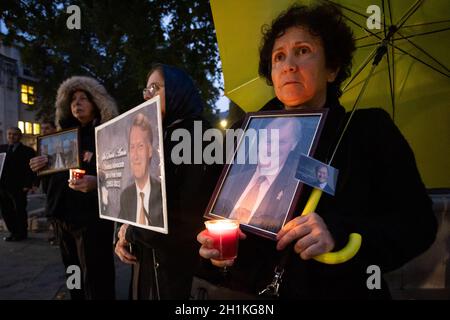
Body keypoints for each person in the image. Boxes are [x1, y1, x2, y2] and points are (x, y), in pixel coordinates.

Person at [196, 3, 437, 299]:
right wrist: (220, 258)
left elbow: (419, 225)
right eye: (279, 56)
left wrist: (341, 233)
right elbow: (222, 233)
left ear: (332, 68)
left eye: (303, 50)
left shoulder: (367, 131)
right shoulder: (243, 135)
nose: (289, 65)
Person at [114, 63, 220, 299]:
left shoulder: (198, 137)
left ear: (177, 91)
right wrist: (121, 235)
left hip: (178, 268)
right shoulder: (153, 137)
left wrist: (132, 233)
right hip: (148, 261)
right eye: (146, 89)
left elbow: (186, 216)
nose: (147, 95)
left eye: (156, 87)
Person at [29, 76, 118, 299]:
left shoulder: (108, 134)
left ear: (96, 102)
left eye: (83, 98)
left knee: (97, 272)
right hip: (62, 216)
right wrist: (38, 166)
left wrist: (97, 182)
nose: (76, 103)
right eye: (73, 100)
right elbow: (51, 179)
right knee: (72, 269)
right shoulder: (59, 138)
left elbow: (122, 174)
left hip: (92, 219)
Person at [213, 117, 302, 233]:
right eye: (269, 141)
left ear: (294, 145)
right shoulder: (229, 181)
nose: (272, 149)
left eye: (281, 142)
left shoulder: (295, 191)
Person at [118, 113, 163, 227]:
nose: (135, 155)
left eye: (140, 146)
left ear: (150, 151)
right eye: (132, 147)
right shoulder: (126, 196)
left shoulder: (162, 193)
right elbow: (119, 229)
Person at [0, 127, 36, 241]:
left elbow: (31, 170)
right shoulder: (1, 149)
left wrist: (28, 184)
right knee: (6, 210)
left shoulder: (28, 151)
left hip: (19, 186)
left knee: (19, 210)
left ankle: (22, 234)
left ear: (20, 136)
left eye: (15, 134)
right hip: (2, 186)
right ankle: (13, 232)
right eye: (9, 134)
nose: (11, 136)